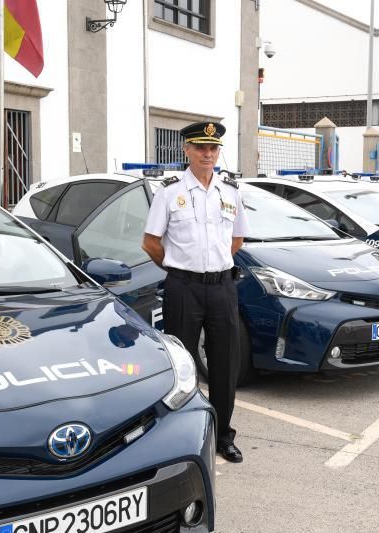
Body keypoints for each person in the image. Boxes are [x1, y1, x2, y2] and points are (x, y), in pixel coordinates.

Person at [142, 121, 249, 463]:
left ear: (219, 152)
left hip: (221, 288)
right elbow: (150, 243)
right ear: (186, 150)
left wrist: (212, 266)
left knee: (225, 364)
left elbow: (236, 240)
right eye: (200, 148)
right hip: (183, 287)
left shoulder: (230, 192)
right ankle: (185, 437)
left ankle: (222, 436)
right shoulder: (170, 192)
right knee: (184, 365)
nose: (207, 154)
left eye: (213, 148)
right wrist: (179, 267)